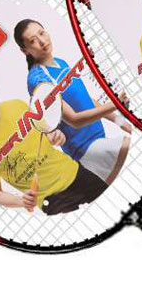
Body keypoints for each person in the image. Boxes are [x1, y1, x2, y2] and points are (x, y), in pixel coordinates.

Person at [0, 72, 106, 215]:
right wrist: (21, 201)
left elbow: (46, 132)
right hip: (53, 200)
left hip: (76, 173)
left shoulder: (17, 105)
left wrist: (55, 135)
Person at [14, 19, 130, 185]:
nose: (42, 41)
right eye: (33, 41)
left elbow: (86, 99)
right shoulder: (37, 80)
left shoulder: (60, 62)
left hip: (100, 138)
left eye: (42, 33)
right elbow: (74, 120)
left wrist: (120, 121)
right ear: (24, 50)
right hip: (85, 150)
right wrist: (115, 104)